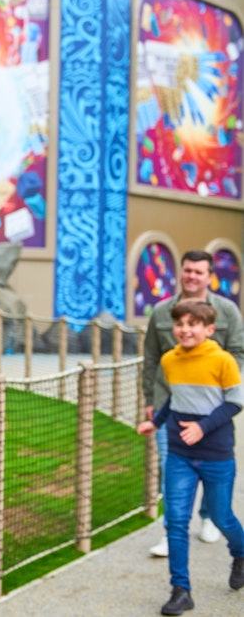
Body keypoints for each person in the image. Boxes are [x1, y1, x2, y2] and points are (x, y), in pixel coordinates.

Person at [136, 300, 244, 615]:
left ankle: (240, 553)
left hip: (216, 453)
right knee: (177, 522)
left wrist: (202, 427)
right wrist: (155, 421)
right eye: (180, 324)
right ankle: (180, 590)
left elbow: (235, 402)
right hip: (180, 453)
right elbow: (174, 398)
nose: (185, 329)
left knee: (222, 516)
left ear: (209, 329)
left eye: (192, 324)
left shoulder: (223, 360)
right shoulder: (169, 360)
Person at [143, 250, 244, 557]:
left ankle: (207, 517)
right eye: (187, 270)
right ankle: (172, 530)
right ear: (181, 272)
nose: (191, 276)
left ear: (208, 275)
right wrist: (150, 400)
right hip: (168, 403)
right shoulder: (162, 312)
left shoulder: (227, 311)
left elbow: (238, 352)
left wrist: (222, 384)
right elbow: (149, 358)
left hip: (211, 408)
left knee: (211, 465)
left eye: (198, 272)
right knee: (169, 466)